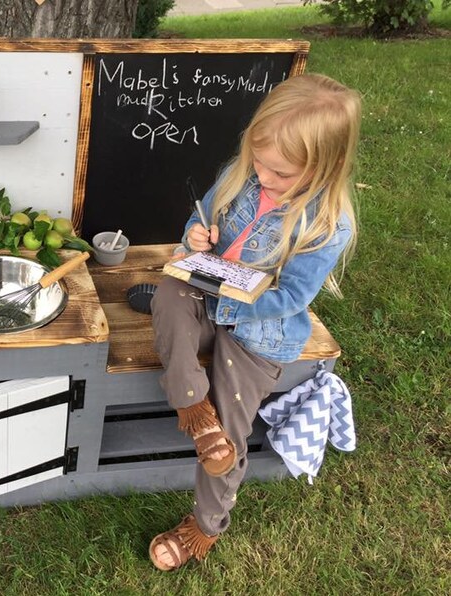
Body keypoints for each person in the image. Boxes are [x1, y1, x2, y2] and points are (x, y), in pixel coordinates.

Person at [148, 73, 361, 571]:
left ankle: (206, 525)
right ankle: (194, 411)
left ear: (323, 166)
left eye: (279, 173)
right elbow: (200, 224)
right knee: (169, 292)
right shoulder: (243, 173)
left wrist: (235, 294)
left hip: (261, 329)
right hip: (208, 295)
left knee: (233, 424)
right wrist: (197, 238)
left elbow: (291, 296)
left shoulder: (329, 225)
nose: (263, 177)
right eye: (258, 162)